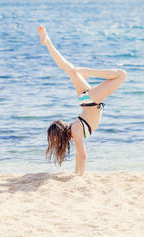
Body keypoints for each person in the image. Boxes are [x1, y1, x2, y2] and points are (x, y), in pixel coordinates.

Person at [38, 25, 127, 176]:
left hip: (91, 101)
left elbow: (83, 155)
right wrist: (76, 174)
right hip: (86, 101)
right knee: (70, 69)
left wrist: (80, 177)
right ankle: (48, 42)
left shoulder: (75, 130)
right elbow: (80, 155)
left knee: (121, 75)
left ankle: (88, 71)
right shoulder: (74, 130)